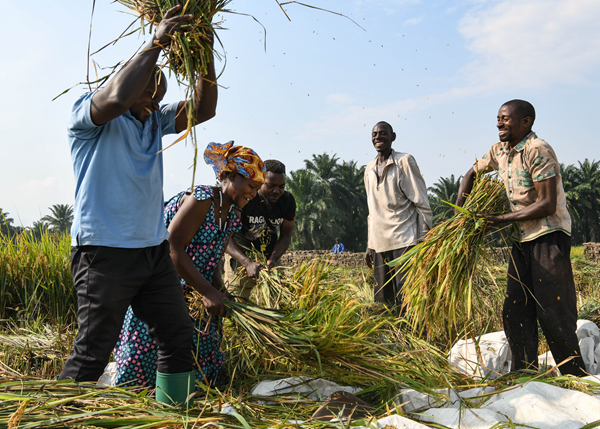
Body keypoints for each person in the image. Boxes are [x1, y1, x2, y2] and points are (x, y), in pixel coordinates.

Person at [59, 5, 218, 405]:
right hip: (104, 252)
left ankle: (170, 412)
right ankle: (53, 414)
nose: (152, 102)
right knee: (94, 350)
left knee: (178, 336)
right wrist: (158, 39)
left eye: (157, 96)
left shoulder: (151, 121)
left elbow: (205, 108)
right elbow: (115, 97)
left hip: (151, 253)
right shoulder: (89, 114)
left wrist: (204, 49)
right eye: (148, 92)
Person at [114, 141, 265, 389]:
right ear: (232, 176)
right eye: (251, 185)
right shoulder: (203, 198)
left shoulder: (233, 215)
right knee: (149, 354)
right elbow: (172, 247)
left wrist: (220, 290)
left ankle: (185, 397)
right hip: (162, 284)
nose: (253, 193)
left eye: (257, 188)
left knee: (199, 350)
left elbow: (213, 256)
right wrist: (207, 291)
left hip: (193, 286)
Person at [455, 100, 586, 376]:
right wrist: (461, 214)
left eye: (505, 119)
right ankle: (524, 372)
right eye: (498, 119)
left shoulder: (537, 150)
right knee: (515, 309)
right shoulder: (499, 150)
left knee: (553, 310)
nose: (499, 123)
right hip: (521, 239)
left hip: (548, 236)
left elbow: (548, 203)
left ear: (526, 122)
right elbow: (471, 173)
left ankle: (575, 376)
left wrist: (500, 220)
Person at [364, 121, 432, 313]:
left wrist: (424, 242)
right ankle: (391, 341)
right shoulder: (369, 169)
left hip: (404, 242)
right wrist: (370, 244)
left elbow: (422, 204)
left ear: (393, 137)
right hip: (379, 244)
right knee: (383, 302)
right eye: (375, 134)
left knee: (408, 300)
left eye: (383, 133)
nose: (378, 137)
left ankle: (413, 338)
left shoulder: (404, 162)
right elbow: (372, 210)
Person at [224, 160, 296, 300]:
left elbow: (286, 235)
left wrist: (273, 259)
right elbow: (226, 237)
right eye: (270, 186)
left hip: (269, 256)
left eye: (281, 186)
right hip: (241, 255)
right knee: (237, 303)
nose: (277, 191)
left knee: (278, 300)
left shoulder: (287, 200)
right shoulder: (246, 198)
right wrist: (247, 263)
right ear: (261, 181)